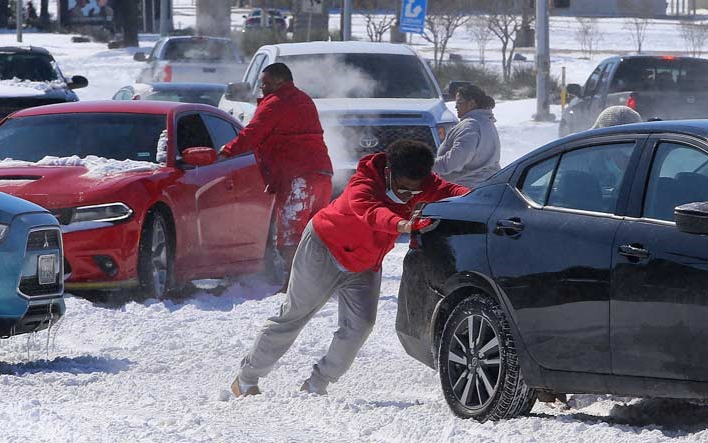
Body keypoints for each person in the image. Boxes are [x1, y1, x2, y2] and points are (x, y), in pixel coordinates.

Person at [231, 139, 469, 397]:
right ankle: (246, 379)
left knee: (360, 325)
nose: (407, 196)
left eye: (415, 191)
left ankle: (317, 383)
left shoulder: (424, 183)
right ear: (389, 172)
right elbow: (369, 210)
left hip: (364, 265)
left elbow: (452, 191)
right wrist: (401, 225)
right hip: (323, 250)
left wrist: (483, 197)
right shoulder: (363, 183)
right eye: (403, 189)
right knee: (294, 315)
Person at [219, 63, 333, 292]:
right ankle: (318, 282)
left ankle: (293, 284)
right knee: (316, 232)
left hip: (298, 176)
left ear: (280, 82)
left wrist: (226, 151)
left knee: (291, 234)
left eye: (266, 83)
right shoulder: (304, 99)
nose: (262, 88)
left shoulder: (275, 103)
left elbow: (253, 133)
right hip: (322, 174)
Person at [433, 84, 500, 189]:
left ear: (471, 103)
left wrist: (427, 165)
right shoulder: (486, 122)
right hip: (485, 187)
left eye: (459, 103)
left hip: (466, 191)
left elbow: (453, 162)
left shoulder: (470, 126)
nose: (456, 106)